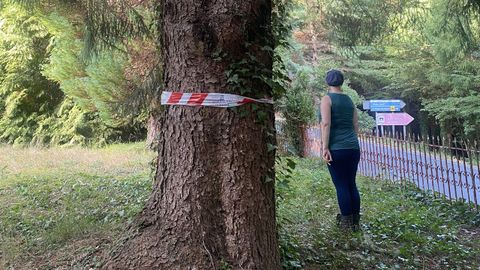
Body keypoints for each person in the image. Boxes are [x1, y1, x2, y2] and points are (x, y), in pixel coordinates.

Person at [320, 69, 361, 231]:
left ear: (327, 82)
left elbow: (325, 124)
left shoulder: (327, 99)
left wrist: (325, 147)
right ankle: (355, 221)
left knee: (341, 185)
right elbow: (355, 125)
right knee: (351, 183)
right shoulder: (349, 100)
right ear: (341, 82)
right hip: (353, 148)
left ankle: (346, 223)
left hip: (336, 148)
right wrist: (352, 141)